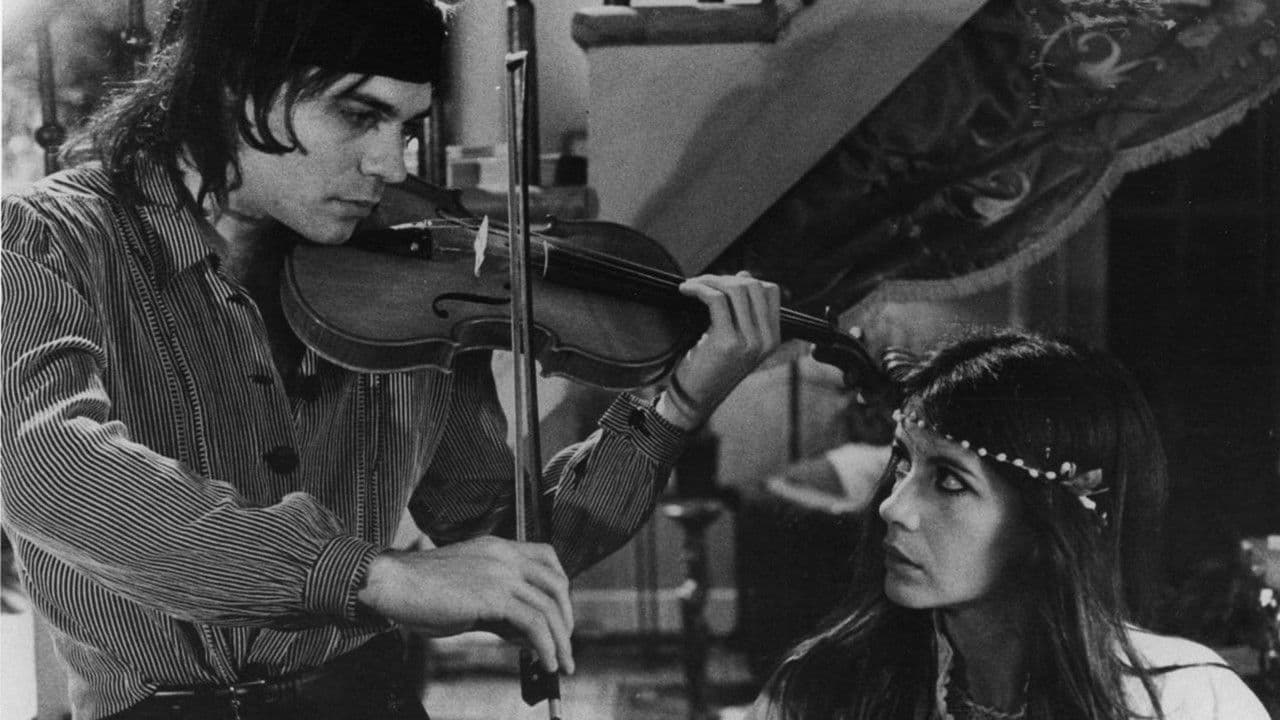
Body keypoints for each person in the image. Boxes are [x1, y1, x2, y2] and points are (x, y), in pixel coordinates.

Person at [0, 1, 783, 718]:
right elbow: (48, 469)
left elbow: (504, 538)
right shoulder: (45, 242)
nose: (394, 165)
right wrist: (371, 575)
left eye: (406, 125)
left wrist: (675, 405)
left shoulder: (411, 273)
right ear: (232, 83)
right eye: (358, 113)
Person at [747, 330, 1270, 720]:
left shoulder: (1186, 703)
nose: (893, 507)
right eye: (904, 463)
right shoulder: (822, 691)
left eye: (949, 480)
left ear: (1046, 523)